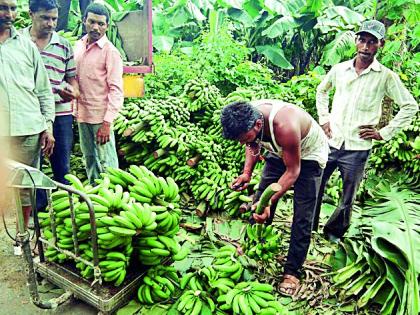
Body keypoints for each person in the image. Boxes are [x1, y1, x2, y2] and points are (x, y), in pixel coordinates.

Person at [314, 20, 418, 241]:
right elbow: (321, 91)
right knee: (315, 185)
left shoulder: (385, 76)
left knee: (347, 197)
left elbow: (410, 106)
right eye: (362, 40)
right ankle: (310, 225)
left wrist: (384, 132)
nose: (366, 46)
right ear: (356, 41)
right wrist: (324, 119)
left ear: (380, 44)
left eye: (372, 42)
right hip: (332, 140)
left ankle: (333, 233)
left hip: (357, 147)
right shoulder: (339, 70)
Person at [221, 100, 329, 296]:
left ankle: (292, 271)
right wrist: (247, 173)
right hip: (280, 152)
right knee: (259, 201)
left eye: (243, 137)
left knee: (303, 215)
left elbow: (293, 171)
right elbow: (251, 143)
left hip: (309, 155)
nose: (241, 142)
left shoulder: (284, 125)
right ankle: (252, 244)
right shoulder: (248, 117)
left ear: (258, 125)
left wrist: (269, 201)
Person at [0, 0, 55, 229]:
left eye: (13, 8)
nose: (9, 14)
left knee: (25, 187)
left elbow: (43, 89)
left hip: (28, 128)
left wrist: (48, 125)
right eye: (3, 7)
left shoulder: (26, 45)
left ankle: (21, 238)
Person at [23, 0, 79, 211]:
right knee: (31, 166)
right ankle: (37, 210)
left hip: (61, 114)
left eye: (54, 18)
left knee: (62, 165)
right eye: (45, 18)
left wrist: (72, 92)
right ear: (31, 14)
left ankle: (63, 210)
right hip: (29, 114)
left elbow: (73, 80)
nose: (51, 23)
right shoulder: (18, 41)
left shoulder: (63, 45)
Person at [74, 3, 123, 185]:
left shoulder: (110, 52)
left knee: (107, 162)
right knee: (90, 159)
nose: (96, 27)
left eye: (101, 24)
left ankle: (113, 198)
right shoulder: (78, 46)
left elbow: (116, 90)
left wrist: (107, 122)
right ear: (84, 21)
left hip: (101, 118)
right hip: (82, 115)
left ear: (107, 26)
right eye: (92, 22)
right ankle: (96, 196)